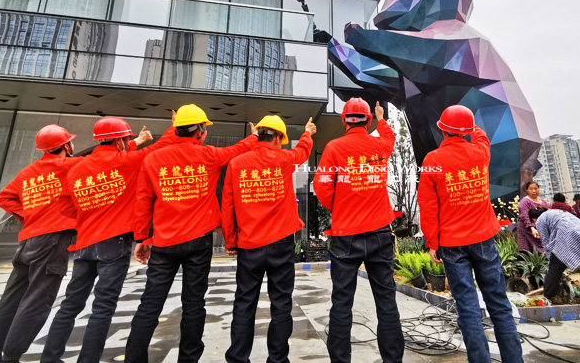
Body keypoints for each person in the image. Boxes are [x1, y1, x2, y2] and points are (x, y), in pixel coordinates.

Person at [125, 104, 258, 363]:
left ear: (176, 130)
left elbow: (143, 202)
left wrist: (141, 238)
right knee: (194, 304)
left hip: (163, 243)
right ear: (200, 132)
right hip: (199, 241)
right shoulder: (209, 155)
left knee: (150, 305)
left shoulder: (153, 159)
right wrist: (254, 136)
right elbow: (238, 149)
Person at [41, 116, 176, 363]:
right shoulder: (127, 162)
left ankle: (49, 358)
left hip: (84, 244)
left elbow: (65, 207)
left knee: (70, 305)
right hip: (114, 242)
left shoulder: (77, 168)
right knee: (102, 307)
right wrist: (175, 126)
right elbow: (161, 146)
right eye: (126, 139)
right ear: (120, 141)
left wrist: (86, 219)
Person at [418, 105, 523, 363]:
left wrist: (432, 242)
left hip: (452, 244)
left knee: (468, 309)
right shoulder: (480, 152)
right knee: (499, 305)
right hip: (484, 239)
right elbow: (480, 135)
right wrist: (469, 125)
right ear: (465, 131)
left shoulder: (432, 160)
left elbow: (428, 205)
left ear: (442, 131)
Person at [313, 98, 404, 363]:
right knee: (386, 302)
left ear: (344, 121)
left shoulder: (334, 147)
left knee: (342, 304)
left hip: (345, 236)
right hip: (380, 233)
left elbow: (321, 185)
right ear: (367, 120)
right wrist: (381, 119)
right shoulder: (380, 146)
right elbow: (390, 137)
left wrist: (340, 207)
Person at [222, 115, 316, 363]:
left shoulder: (236, 164)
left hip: (249, 246)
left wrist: (230, 241)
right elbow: (302, 151)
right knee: (281, 304)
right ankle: (277, 359)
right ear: (277, 138)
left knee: (244, 304)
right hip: (280, 245)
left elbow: (228, 205)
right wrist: (307, 132)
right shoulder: (283, 159)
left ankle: (237, 358)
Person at [0, 125, 79, 363]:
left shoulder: (29, 171)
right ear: (66, 146)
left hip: (28, 241)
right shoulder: (70, 166)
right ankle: (12, 356)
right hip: (52, 241)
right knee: (38, 300)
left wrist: (30, 215)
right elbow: (104, 164)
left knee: (12, 297)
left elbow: (4, 197)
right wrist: (134, 142)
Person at [529, 206, 580, 299]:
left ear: (534, 219)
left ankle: (548, 296)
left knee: (555, 267)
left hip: (566, 234)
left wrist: (550, 261)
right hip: (578, 230)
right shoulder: (554, 212)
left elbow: (545, 241)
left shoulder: (540, 220)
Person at [517, 181, 548, 253]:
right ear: (527, 190)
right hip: (527, 229)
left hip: (540, 228)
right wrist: (532, 228)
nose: (534, 191)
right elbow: (525, 216)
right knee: (527, 249)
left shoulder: (543, 202)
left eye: (536, 188)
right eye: (531, 189)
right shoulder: (524, 201)